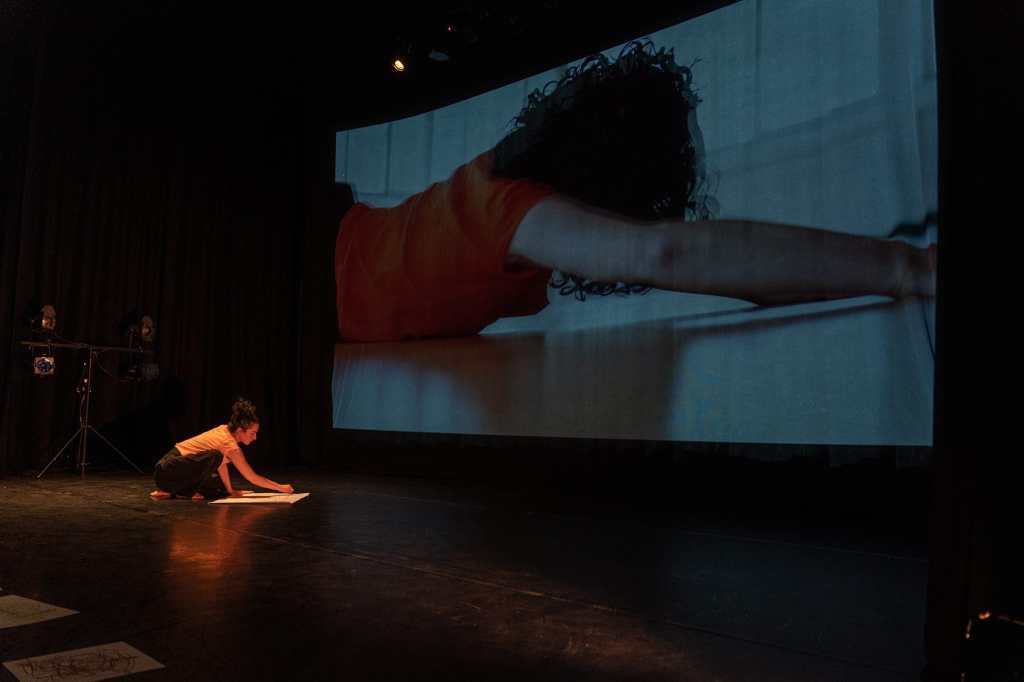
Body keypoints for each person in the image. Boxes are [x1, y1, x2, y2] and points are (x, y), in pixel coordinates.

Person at [334, 41, 936, 343]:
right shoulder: (510, 210)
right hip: (314, 267)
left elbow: (712, 269)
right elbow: (664, 254)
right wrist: (905, 266)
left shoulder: (501, 193)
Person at [150, 398, 294, 500]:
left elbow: (221, 464)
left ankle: (172, 490)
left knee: (218, 488)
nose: (255, 437)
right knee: (215, 457)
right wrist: (280, 487)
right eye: (252, 433)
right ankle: (181, 491)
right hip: (167, 469)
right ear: (239, 430)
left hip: (168, 475)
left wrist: (229, 490)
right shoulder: (229, 445)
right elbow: (251, 477)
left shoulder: (224, 430)